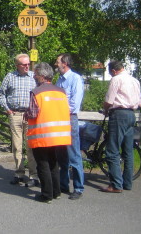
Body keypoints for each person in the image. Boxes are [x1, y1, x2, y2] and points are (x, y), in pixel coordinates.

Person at [25, 62, 72, 203]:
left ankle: (46, 195)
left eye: (36, 74)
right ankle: (56, 191)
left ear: (42, 76)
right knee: (53, 163)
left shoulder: (36, 92)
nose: (34, 76)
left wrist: (25, 114)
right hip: (59, 134)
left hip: (41, 134)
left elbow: (32, 114)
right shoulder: (61, 91)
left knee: (42, 164)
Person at [0, 53, 39, 187]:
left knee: (31, 146)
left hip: (30, 115)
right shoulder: (10, 77)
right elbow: (1, 94)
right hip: (15, 114)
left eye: (28, 64)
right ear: (17, 65)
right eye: (24, 64)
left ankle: (33, 175)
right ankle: (19, 173)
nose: (27, 66)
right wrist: (8, 109)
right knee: (17, 146)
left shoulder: (34, 77)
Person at [101, 60, 141, 193]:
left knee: (112, 150)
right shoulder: (134, 81)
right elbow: (140, 103)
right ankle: (127, 182)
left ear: (113, 71)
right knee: (128, 151)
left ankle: (115, 184)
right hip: (131, 114)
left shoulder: (116, 79)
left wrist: (105, 109)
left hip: (119, 114)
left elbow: (109, 100)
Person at [55, 53, 85, 200]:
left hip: (69, 119)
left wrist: (61, 111)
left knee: (73, 154)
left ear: (64, 63)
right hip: (59, 120)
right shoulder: (59, 80)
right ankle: (63, 184)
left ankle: (78, 188)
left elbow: (75, 102)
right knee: (61, 155)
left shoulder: (75, 79)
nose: (56, 64)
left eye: (58, 62)